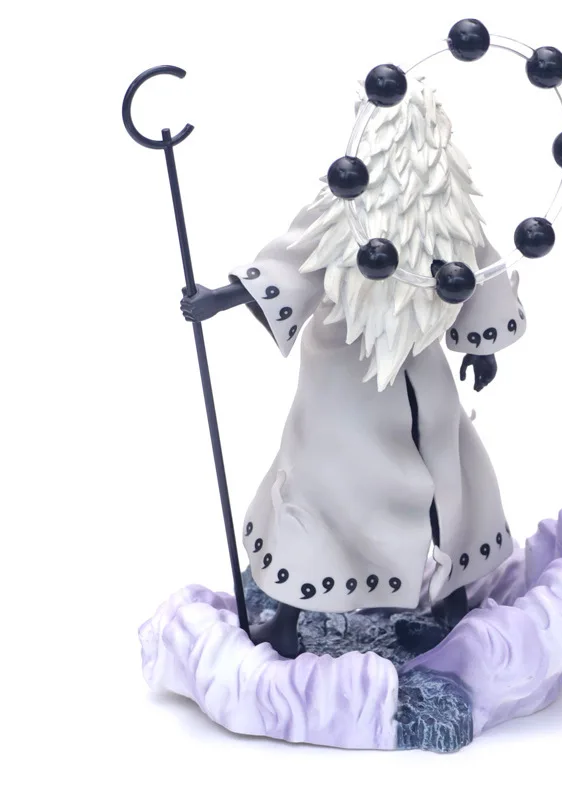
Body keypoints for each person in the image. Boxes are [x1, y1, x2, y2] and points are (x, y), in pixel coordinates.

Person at [181, 78, 527, 657]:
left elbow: (476, 275)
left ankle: (443, 607)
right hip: (345, 384)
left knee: (425, 484)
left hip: (410, 382)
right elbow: (298, 262)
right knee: (329, 485)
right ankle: (293, 618)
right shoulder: (353, 206)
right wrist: (223, 297)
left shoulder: (439, 215)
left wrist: (481, 344)